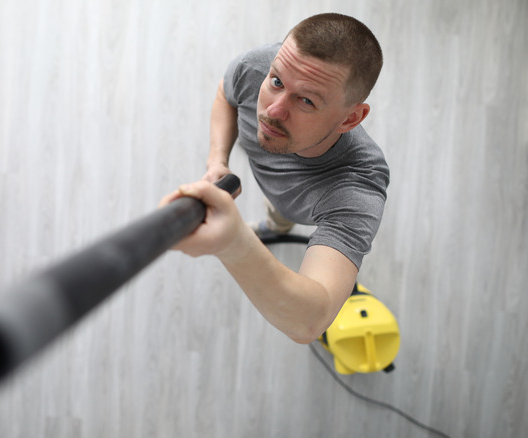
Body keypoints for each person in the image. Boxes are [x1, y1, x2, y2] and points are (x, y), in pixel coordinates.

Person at [159, 13, 389, 344]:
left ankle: (276, 223)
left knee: (283, 211)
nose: (273, 111)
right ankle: (273, 225)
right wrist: (216, 162)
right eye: (277, 83)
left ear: (351, 117)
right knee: (275, 212)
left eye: (307, 101)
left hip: (302, 206)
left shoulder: (357, 187)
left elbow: (310, 321)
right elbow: (226, 95)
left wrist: (233, 242)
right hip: (277, 190)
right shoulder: (258, 68)